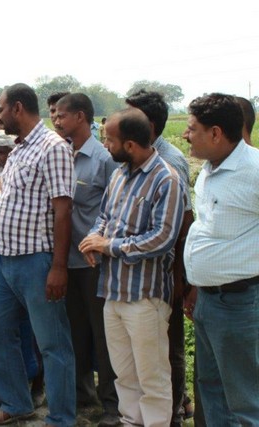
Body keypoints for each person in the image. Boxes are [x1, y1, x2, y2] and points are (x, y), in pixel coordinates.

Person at [0, 83, 77, 426]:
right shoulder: (18, 151)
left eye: (0, 109)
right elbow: (14, 203)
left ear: (16, 108)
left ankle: (60, 418)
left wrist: (58, 267)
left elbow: (63, 210)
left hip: (37, 262)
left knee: (52, 345)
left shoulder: (53, 148)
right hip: (2, 261)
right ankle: (16, 403)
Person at [79, 108, 185, 427]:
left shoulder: (166, 178)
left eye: (109, 139)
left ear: (129, 145)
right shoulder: (119, 174)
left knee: (151, 377)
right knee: (124, 374)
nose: (104, 144)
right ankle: (131, 422)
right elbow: (104, 216)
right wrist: (93, 236)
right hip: (113, 291)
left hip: (145, 297)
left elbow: (163, 238)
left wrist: (108, 245)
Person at [182, 93, 259, 426]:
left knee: (245, 399)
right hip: (209, 301)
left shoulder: (253, 171)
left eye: (192, 128)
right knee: (211, 387)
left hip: (239, 304)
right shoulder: (208, 171)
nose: (186, 134)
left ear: (215, 133)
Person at [125, 89, 194, 425]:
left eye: (130, 117)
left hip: (164, 275)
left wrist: (180, 277)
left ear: (148, 125)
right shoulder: (133, 161)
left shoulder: (169, 163)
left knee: (169, 348)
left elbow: (183, 223)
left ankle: (174, 409)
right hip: (139, 278)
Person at [54, 93, 120, 426]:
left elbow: (113, 210)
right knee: (74, 334)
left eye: (62, 116)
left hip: (95, 266)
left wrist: (98, 241)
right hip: (64, 262)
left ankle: (112, 405)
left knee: (104, 336)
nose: (56, 121)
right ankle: (82, 395)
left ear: (80, 117)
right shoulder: (59, 154)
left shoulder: (104, 159)